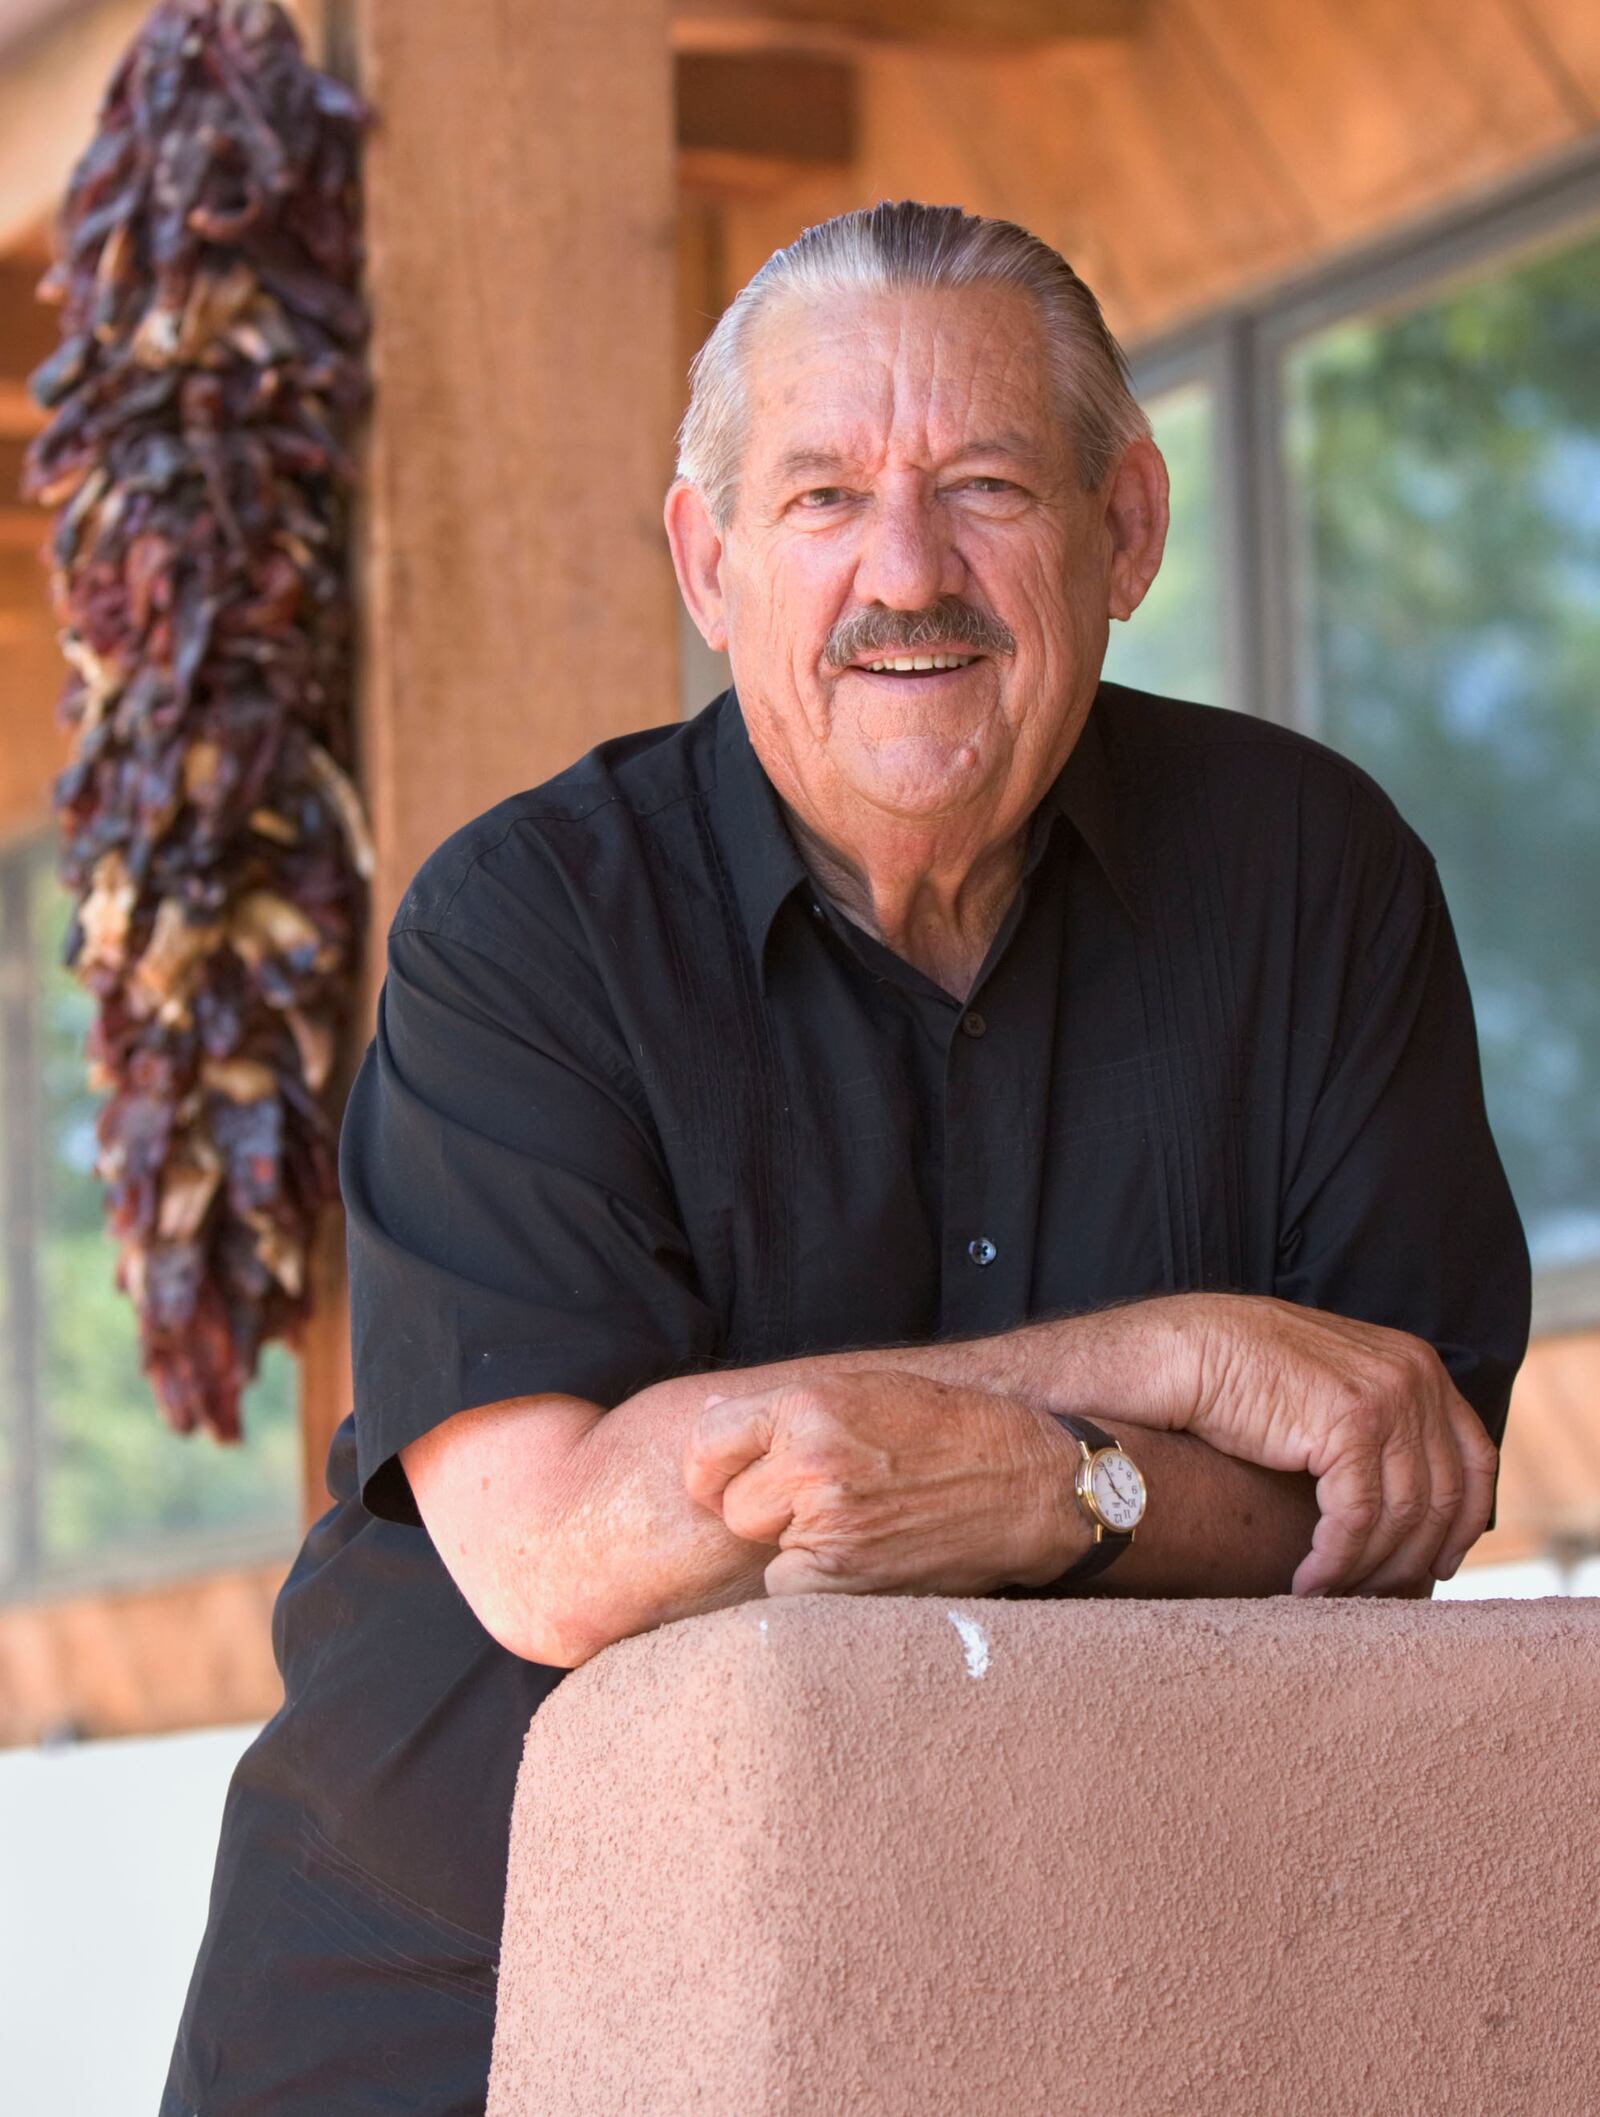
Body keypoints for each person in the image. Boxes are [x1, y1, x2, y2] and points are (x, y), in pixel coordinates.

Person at [161, 200, 1528, 2114]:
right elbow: (566, 1550)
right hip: (459, 1989)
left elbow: (1398, 1496)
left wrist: (1054, 1491)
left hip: (1083, 1998)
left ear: (1126, 528)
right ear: (708, 561)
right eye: (819, 498)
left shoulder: (1316, 885)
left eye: (983, 485)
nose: (907, 571)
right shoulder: (529, 926)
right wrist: (1149, 1381)